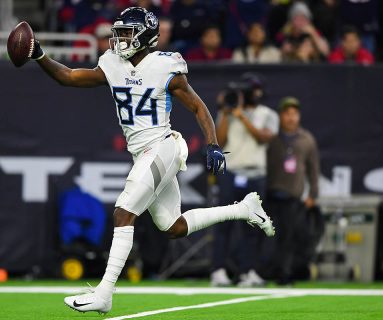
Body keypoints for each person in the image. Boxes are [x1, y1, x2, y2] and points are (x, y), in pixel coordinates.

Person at [22, 7, 274, 313]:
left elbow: (198, 107)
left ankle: (104, 293)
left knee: (123, 212)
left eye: (126, 32)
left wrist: (213, 144)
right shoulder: (112, 64)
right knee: (173, 227)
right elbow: (69, 77)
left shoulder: (164, 66)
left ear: (144, 36)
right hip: (143, 152)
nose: (119, 38)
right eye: (119, 32)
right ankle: (244, 209)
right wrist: (38, 55)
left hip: (163, 147)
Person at [213, 73, 279, 287]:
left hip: (256, 175)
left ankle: (247, 271)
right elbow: (219, 141)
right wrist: (226, 112)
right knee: (224, 225)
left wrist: (241, 116)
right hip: (231, 172)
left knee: (252, 227)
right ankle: (219, 271)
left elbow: (263, 138)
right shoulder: (228, 113)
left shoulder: (268, 114)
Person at [266, 96, 320, 285]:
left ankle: (285, 273)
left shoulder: (306, 140)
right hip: (269, 194)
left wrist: (313, 194)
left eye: (294, 114)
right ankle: (264, 272)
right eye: (287, 114)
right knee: (268, 236)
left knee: (289, 238)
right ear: (280, 116)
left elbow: (314, 169)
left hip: (293, 196)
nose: (290, 118)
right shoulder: (271, 137)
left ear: (299, 116)